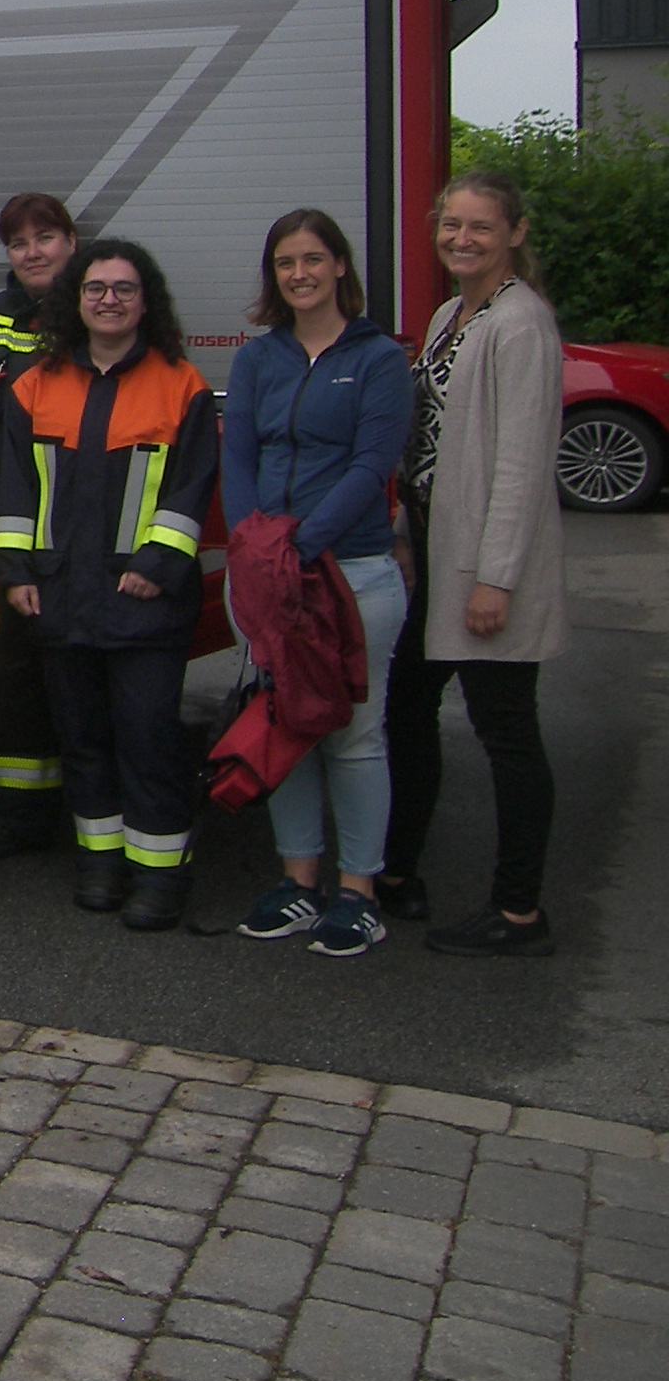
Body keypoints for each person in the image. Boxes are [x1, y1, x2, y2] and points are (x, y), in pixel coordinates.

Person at [0, 236, 217, 930]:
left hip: (144, 602)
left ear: (147, 303)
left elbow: (191, 487)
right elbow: (17, 489)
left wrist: (156, 565)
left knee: (146, 738)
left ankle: (159, 877)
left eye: (123, 289)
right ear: (74, 302)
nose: (109, 300)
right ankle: (102, 864)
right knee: (82, 739)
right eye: (96, 289)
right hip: (61, 597)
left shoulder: (181, 383)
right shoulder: (37, 384)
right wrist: (17, 571)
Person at [381, 173, 570, 957]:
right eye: (451, 225)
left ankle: (520, 912)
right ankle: (399, 870)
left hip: (486, 569)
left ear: (516, 234)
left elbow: (522, 465)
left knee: (506, 733)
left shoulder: (521, 324)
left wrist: (496, 578)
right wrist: (402, 526)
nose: (462, 238)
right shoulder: (452, 312)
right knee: (407, 711)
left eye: (481, 228)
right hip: (435, 549)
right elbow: (431, 440)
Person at [219, 208, 413, 957]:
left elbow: (372, 467)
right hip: (269, 577)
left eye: (311, 259)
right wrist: (252, 547)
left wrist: (302, 546)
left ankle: (358, 892)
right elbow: (240, 459)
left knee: (356, 738)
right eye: (284, 263)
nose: (299, 274)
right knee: (284, 724)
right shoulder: (259, 359)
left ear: (340, 266)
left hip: (352, 571)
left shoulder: (378, 360)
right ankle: (298, 883)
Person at [0, 191, 79, 856]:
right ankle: (16, 819)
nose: (32, 251)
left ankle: (87, 817)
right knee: (9, 682)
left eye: (45, 237)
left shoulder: (96, 320)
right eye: (19, 241)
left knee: (75, 681)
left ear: (71, 243)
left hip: (71, 539)